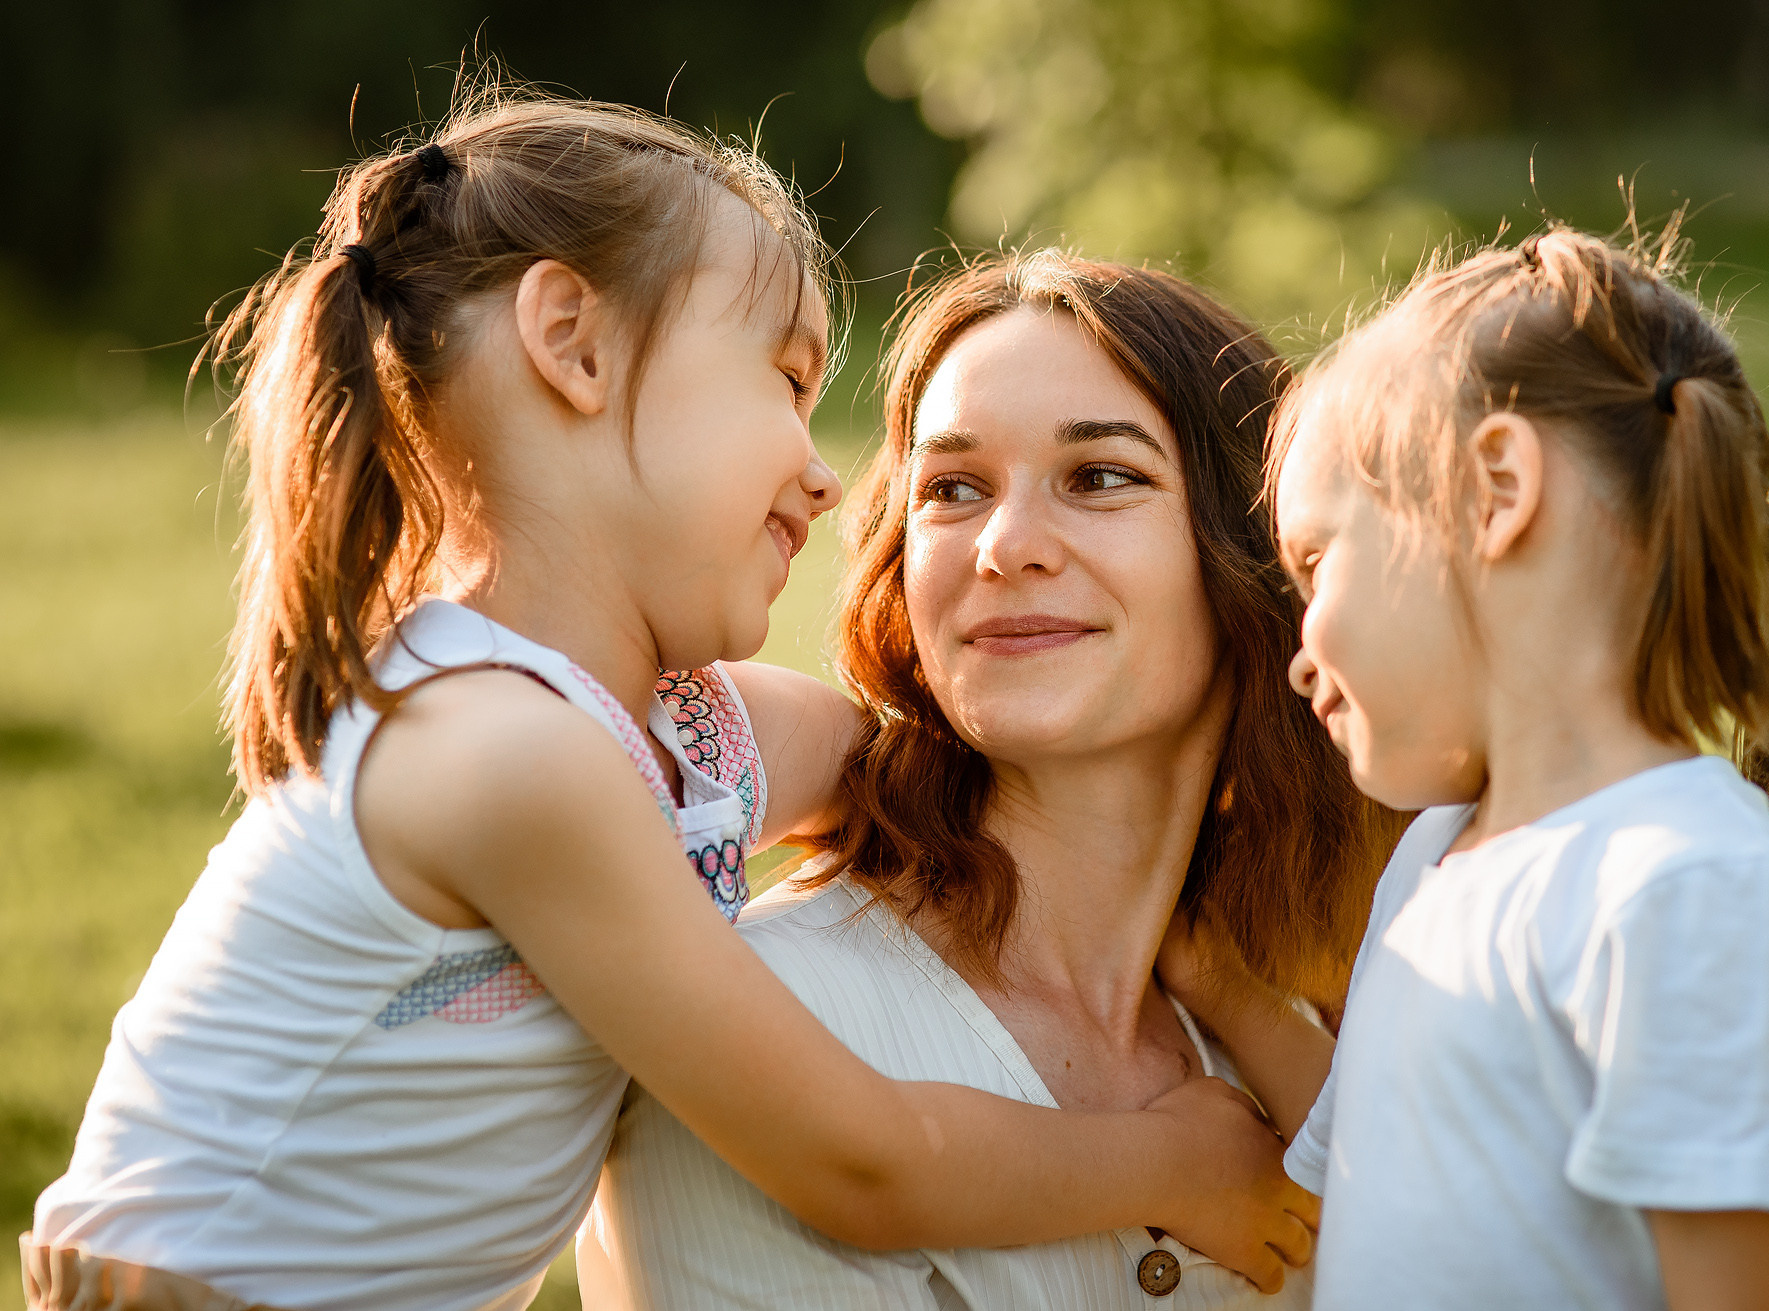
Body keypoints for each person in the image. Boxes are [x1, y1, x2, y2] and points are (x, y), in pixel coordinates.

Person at [21, 96, 1313, 1311]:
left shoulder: (689, 733)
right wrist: (1164, 1161)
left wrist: (1210, 957)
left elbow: (948, 767)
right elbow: (859, 1158)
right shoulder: (496, 750)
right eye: (787, 379)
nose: (821, 469)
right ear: (572, 345)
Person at [576, 251, 1403, 1309]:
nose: (1004, 545)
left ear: (1250, 552)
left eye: (1100, 476)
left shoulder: (1300, 1037)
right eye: (953, 489)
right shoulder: (778, 1038)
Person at [1243, 227, 1769, 1309]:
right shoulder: (1432, 861)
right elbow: (1365, 1179)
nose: (1300, 651)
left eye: (1315, 561)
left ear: (1495, 487)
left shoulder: (1690, 894)